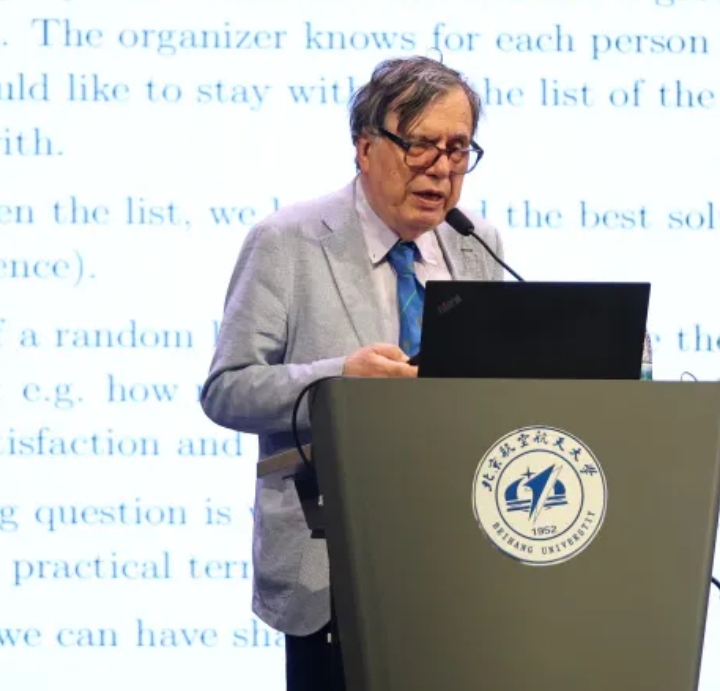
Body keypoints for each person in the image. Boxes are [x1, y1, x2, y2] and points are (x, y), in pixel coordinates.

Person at [199, 55, 504, 691]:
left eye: (457, 148)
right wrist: (339, 382)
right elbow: (226, 390)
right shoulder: (287, 241)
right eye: (421, 145)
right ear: (366, 148)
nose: (442, 168)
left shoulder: (475, 243)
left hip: (457, 563)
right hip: (334, 565)